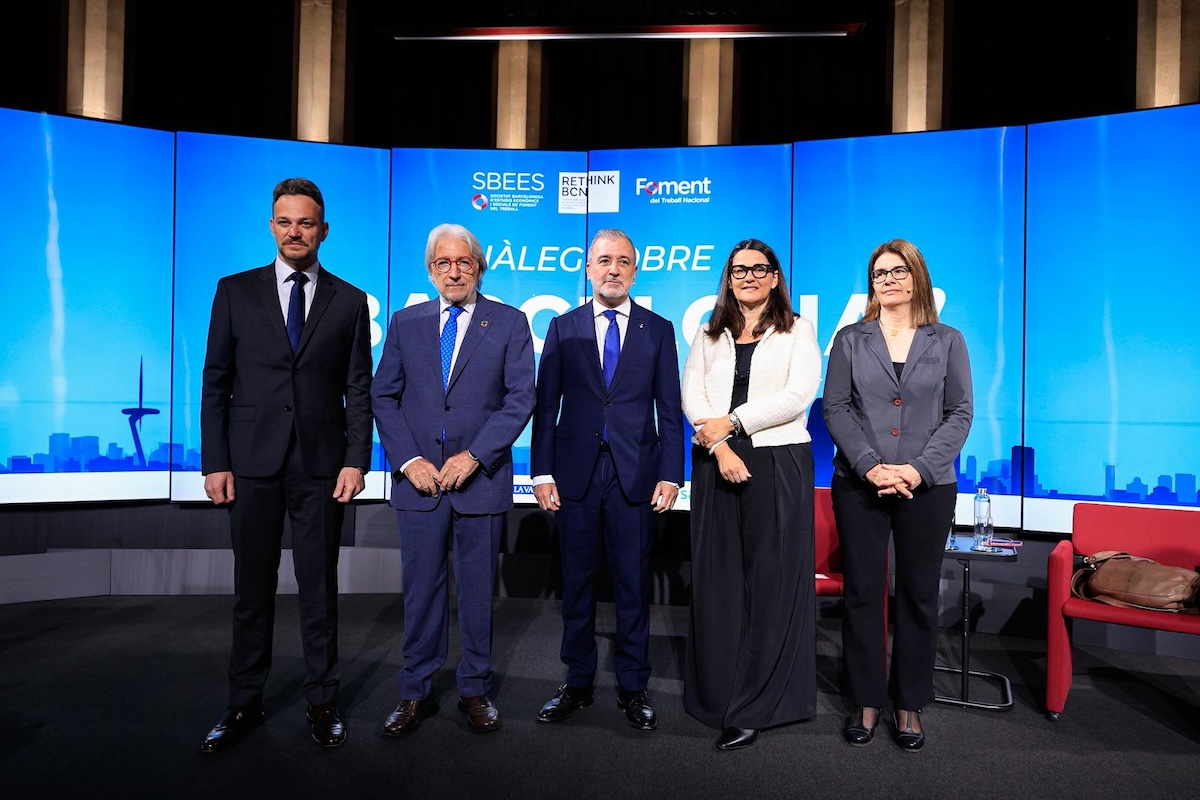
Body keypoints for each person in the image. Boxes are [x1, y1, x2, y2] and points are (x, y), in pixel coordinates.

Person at [199, 177, 374, 752]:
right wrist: (215, 461)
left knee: (319, 589)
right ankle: (242, 702)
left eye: (305, 223)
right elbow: (216, 381)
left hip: (323, 467)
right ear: (272, 226)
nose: (295, 231)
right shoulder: (234, 291)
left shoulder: (349, 300)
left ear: (323, 230)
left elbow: (358, 387)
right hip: (249, 463)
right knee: (252, 590)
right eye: (285, 222)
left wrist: (356, 459)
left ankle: (322, 701)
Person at [371, 223, 535, 737]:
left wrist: (475, 456)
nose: (454, 271)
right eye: (443, 263)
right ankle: (415, 691)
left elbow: (520, 397)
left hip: (478, 481)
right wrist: (408, 461)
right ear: (430, 269)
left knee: (478, 595)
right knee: (421, 592)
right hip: (417, 483)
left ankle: (474, 689)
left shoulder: (509, 322)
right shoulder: (406, 322)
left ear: (478, 265)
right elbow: (384, 396)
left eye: (463, 262)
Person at [531, 228, 684, 731]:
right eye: (603, 261)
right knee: (575, 582)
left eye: (622, 261)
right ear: (589, 269)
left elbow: (669, 408)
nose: (613, 269)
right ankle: (576, 681)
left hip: (635, 474)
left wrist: (671, 474)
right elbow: (545, 403)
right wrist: (542, 471)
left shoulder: (658, 329)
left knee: (632, 584)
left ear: (634, 271)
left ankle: (633, 685)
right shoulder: (563, 327)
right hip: (575, 473)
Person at [823, 239, 972, 752]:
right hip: (860, 484)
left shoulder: (948, 339)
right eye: (879, 273)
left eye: (897, 271)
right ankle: (865, 700)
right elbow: (836, 408)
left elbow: (961, 414)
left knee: (917, 594)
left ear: (917, 278)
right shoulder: (849, 339)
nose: (887, 280)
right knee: (863, 593)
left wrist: (917, 469)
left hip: (927, 487)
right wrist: (871, 467)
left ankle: (908, 703)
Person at [681, 238, 822, 751]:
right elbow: (691, 395)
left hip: (777, 460)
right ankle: (716, 697)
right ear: (728, 277)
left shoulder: (797, 329)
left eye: (759, 269)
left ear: (776, 277)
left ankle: (760, 704)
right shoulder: (709, 330)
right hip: (714, 460)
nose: (748, 277)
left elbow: (798, 394)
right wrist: (721, 445)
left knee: (770, 582)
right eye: (739, 270)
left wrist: (735, 422)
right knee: (717, 581)